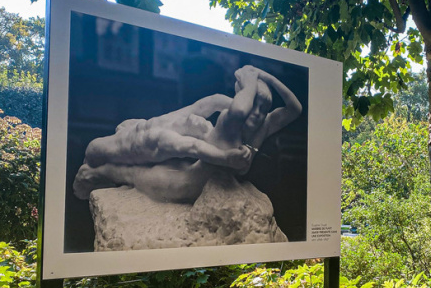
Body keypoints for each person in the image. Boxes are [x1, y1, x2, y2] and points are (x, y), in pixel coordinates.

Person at [72, 65, 302, 203]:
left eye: (264, 108)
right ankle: (97, 172)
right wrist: (249, 80)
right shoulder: (162, 136)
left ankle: (101, 172)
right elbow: (192, 147)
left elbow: (218, 105)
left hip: (146, 145)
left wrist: (261, 77)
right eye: (202, 126)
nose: (205, 126)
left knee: (145, 175)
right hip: (126, 145)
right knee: (117, 166)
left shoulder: (213, 118)